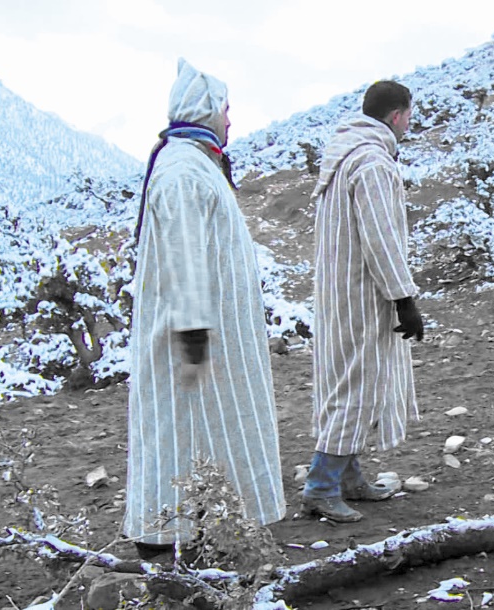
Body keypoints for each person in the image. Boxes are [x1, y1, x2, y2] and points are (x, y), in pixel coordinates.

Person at [124, 59, 285, 558]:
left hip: (210, 335)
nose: (231, 120)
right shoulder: (180, 171)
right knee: (180, 433)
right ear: (206, 111)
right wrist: (193, 329)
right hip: (190, 337)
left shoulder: (193, 164)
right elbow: (181, 249)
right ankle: (164, 541)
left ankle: (206, 534)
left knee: (210, 431)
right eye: (226, 109)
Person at [303, 80, 424, 522]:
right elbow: (381, 238)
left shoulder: (345, 157)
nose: (410, 122)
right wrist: (404, 297)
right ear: (395, 116)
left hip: (340, 291)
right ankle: (320, 486)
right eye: (408, 114)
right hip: (362, 293)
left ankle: (350, 477)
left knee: (350, 381)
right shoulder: (372, 163)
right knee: (358, 383)